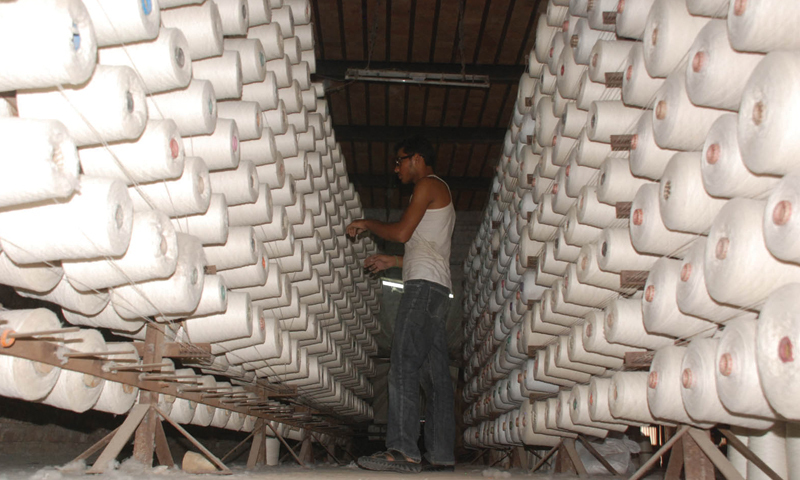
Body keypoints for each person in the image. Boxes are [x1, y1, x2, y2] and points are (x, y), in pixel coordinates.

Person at [346, 136, 457, 474]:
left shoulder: (427, 185)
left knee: (403, 366)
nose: (396, 168)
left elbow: (402, 232)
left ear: (417, 159)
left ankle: (403, 450)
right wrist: (392, 262)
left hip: (423, 289)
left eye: (400, 161)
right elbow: (424, 248)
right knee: (436, 377)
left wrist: (367, 222)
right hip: (437, 289)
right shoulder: (438, 192)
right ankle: (440, 453)